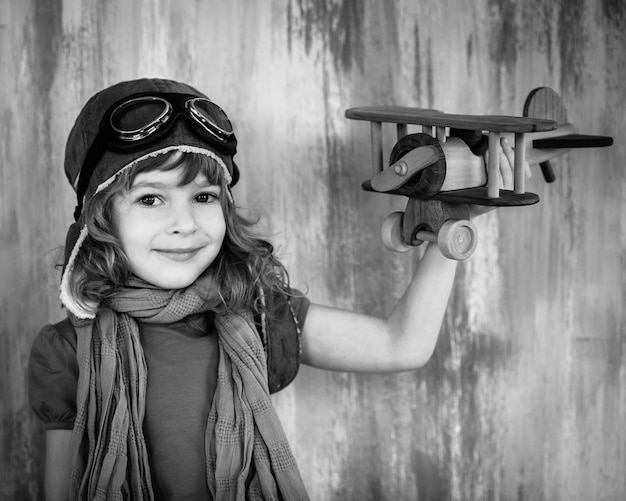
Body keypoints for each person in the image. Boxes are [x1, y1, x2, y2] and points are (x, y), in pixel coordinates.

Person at [28, 78, 522, 501]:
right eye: (151, 198)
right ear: (102, 217)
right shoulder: (69, 349)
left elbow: (402, 345)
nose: (184, 224)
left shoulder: (261, 314)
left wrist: (448, 232)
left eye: (203, 196)